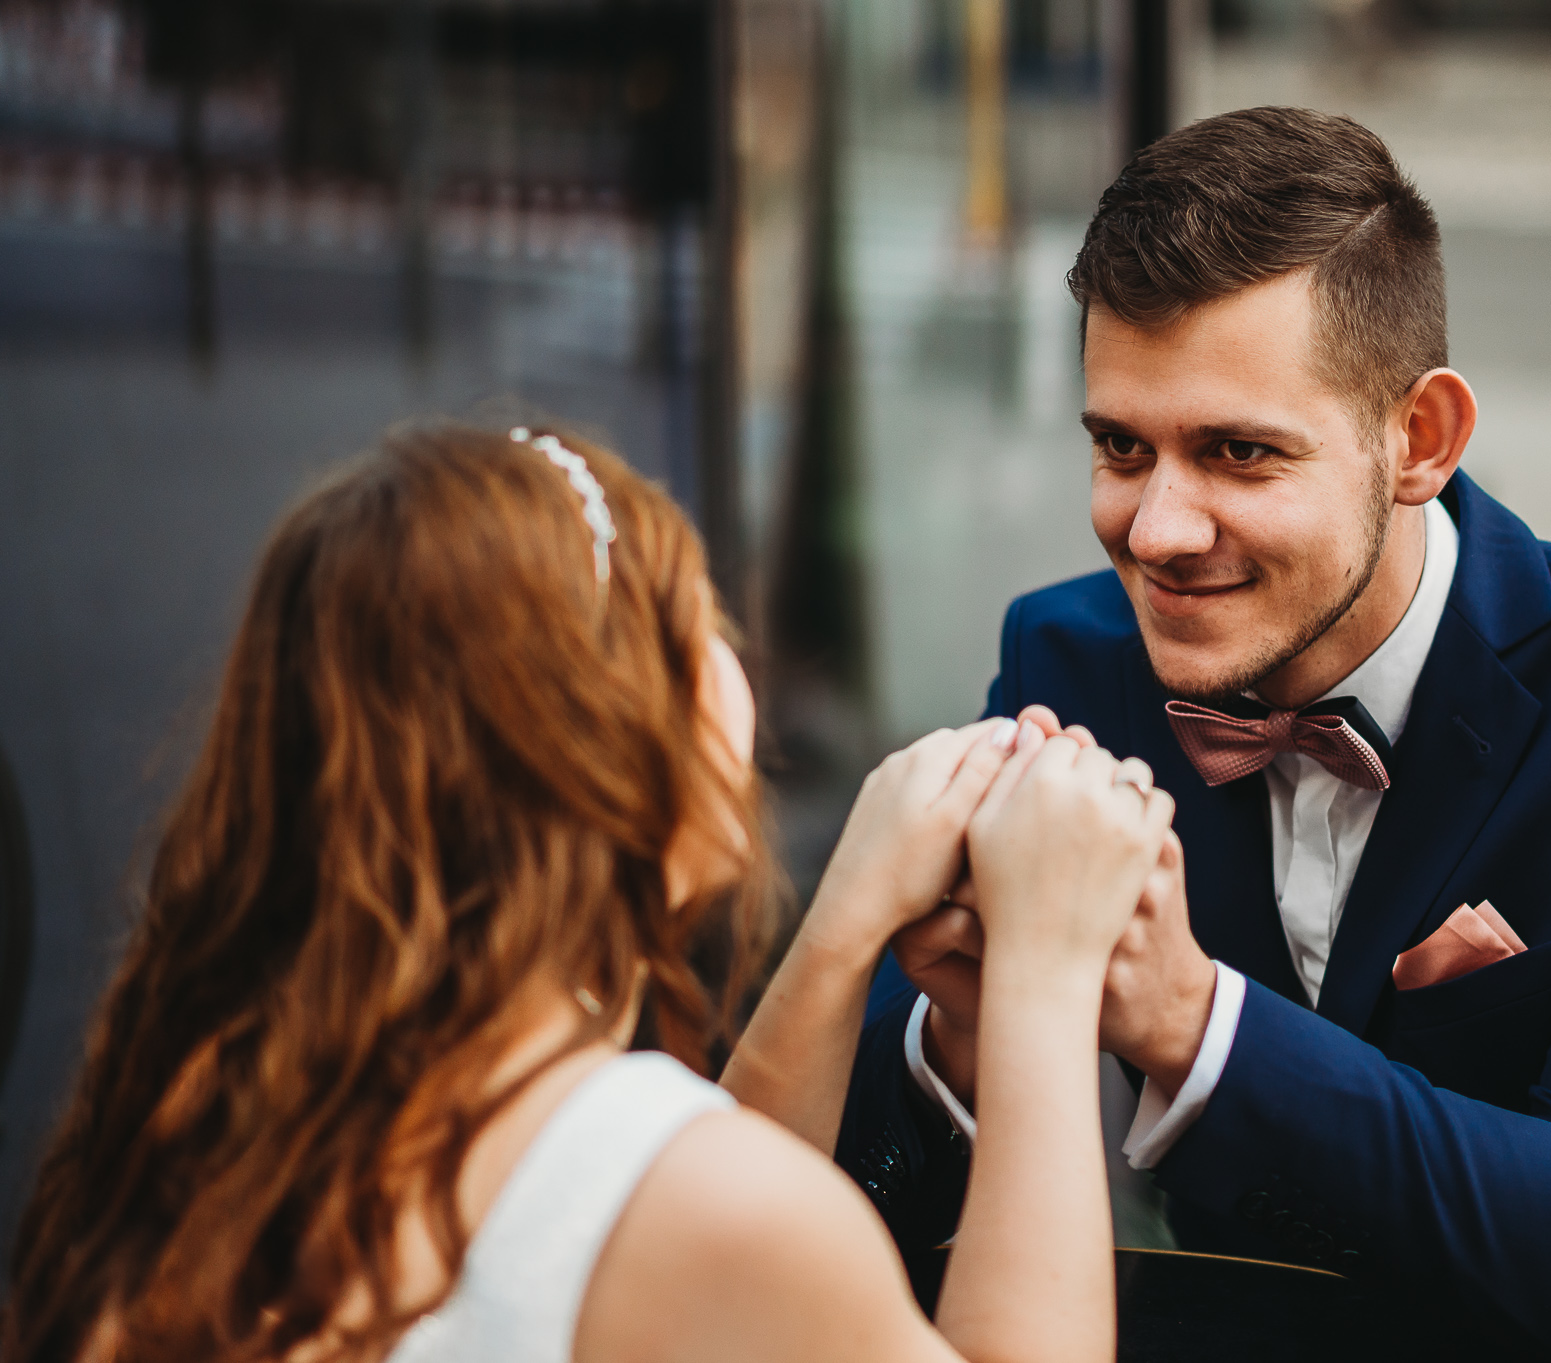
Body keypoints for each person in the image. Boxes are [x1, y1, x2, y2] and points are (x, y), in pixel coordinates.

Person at [837, 107, 1551, 1363]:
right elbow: (836, 1201)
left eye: (1237, 452)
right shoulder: (1066, 660)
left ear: (1418, 440)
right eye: (1120, 447)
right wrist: (954, 1045)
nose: (1154, 531)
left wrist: (1193, 1023)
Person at [3, 420, 1176, 1363]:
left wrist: (842, 925)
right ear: (605, 730)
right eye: (702, 621)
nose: (736, 665)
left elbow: (660, 1205)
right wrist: (1045, 973)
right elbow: (691, 1211)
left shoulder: (218, 1094)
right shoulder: (694, 1204)